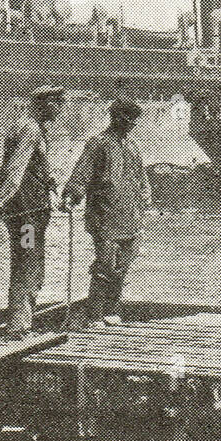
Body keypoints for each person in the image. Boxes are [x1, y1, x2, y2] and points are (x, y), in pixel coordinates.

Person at [61, 98, 150, 329]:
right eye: (127, 118)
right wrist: (72, 195)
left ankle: (112, 310)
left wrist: (145, 199)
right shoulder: (98, 144)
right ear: (116, 117)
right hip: (105, 217)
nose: (131, 123)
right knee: (105, 266)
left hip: (131, 217)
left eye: (134, 119)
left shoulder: (133, 146)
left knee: (123, 266)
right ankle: (94, 315)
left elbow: (142, 179)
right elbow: (82, 174)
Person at [0, 86, 65, 338]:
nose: (61, 107)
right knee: (26, 263)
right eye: (57, 102)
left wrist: (52, 184)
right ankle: (19, 328)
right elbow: (14, 171)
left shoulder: (32, 127)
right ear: (43, 103)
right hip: (26, 216)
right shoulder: (30, 129)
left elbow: (38, 167)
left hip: (33, 213)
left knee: (30, 262)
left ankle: (22, 323)